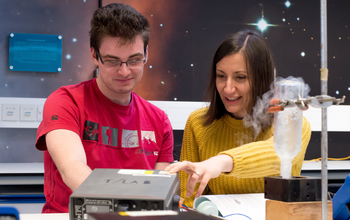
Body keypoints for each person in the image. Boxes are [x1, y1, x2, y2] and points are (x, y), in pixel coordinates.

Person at [35, 3, 174, 213]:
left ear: (146, 53)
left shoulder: (159, 120)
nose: (125, 71)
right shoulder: (66, 102)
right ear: (94, 55)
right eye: (112, 61)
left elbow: (160, 190)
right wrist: (122, 210)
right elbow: (73, 169)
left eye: (134, 60)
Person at [165, 30, 311, 208]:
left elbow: (278, 156)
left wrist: (220, 162)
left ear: (261, 78)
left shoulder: (292, 124)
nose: (227, 89)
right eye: (221, 76)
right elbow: (188, 200)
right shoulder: (198, 123)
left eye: (240, 78)